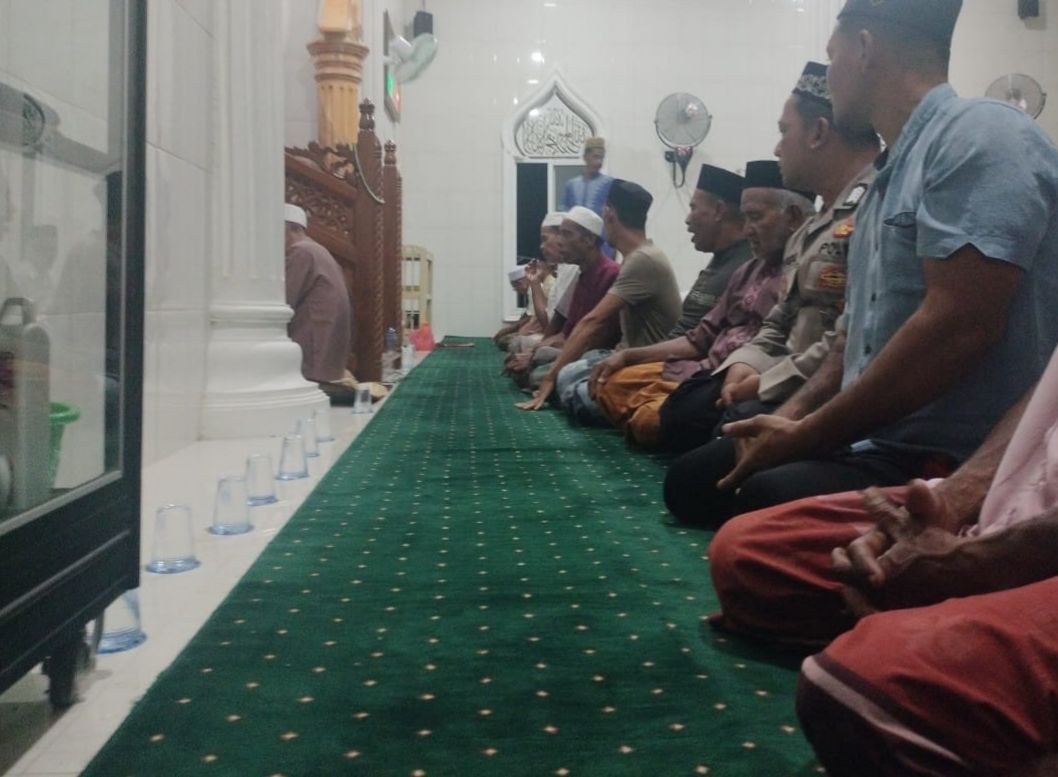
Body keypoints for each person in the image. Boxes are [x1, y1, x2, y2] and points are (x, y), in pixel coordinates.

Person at [672, 0, 1058, 529]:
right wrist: (789, 419)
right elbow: (847, 343)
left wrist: (811, 435)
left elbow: (960, 328)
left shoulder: (981, 134)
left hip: (950, 455)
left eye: (832, 56)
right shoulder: (882, 183)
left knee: (760, 504)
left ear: (864, 48)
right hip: (874, 438)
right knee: (692, 482)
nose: (829, 77)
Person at [662, 62, 880, 524]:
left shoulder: (873, 208)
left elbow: (848, 340)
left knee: (735, 477)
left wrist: (766, 384)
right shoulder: (818, 224)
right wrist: (745, 367)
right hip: (791, 379)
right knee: (687, 475)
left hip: (831, 393)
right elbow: (780, 319)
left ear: (818, 133)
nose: (778, 148)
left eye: (784, 132)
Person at [590, 162, 811, 447]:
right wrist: (629, 356)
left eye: (755, 217)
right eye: (745, 218)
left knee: (649, 417)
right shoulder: (746, 271)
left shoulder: (801, 275)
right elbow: (699, 339)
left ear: (793, 218)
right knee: (611, 383)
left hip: (734, 381)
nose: (747, 229)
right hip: (699, 373)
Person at [547, 180, 683, 423]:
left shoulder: (643, 260)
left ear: (609, 213)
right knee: (567, 375)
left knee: (573, 391)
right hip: (623, 356)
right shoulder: (635, 257)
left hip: (646, 365)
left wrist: (549, 379)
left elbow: (593, 322)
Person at [515, 206, 620, 410]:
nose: (560, 241)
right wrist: (534, 353)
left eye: (566, 234)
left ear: (588, 240)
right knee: (537, 356)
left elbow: (596, 337)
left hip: (596, 353)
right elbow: (567, 330)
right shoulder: (582, 275)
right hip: (574, 350)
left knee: (541, 367)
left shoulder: (611, 273)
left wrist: (542, 359)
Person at [284, 203, 353, 387]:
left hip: (314, 347)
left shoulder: (301, 252)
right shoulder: (317, 249)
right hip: (327, 348)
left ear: (288, 229)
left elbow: (284, 303)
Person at [561, 137, 615, 257]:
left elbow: (614, 218)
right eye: (596, 157)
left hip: (602, 245)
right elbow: (565, 214)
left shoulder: (609, 183)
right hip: (576, 245)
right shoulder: (572, 184)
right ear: (585, 157)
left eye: (602, 158)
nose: (599, 162)